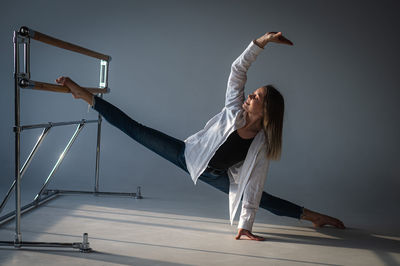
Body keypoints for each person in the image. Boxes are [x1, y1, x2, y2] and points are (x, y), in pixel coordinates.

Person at [56, 31, 345, 241]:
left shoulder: (261, 143)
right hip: (188, 156)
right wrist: (262, 42)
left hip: (217, 176)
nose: (250, 94)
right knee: (136, 129)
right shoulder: (235, 112)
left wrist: (246, 226)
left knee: (263, 198)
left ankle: (314, 217)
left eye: (256, 96)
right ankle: (82, 93)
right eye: (253, 92)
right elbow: (238, 71)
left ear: (265, 111)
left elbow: (255, 186)